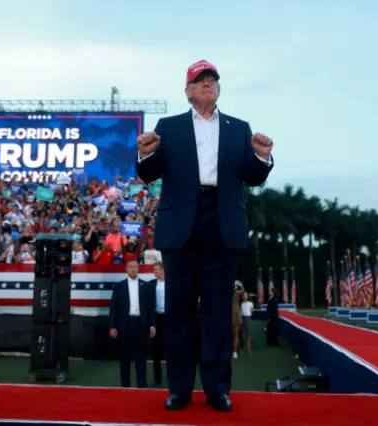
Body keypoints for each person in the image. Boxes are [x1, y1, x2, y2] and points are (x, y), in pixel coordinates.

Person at [135, 59, 274, 412]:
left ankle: (217, 390)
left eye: (212, 78)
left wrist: (262, 157)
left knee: (216, 312)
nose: (207, 83)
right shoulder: (169, 127)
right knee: (179, 311)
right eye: (200, 80)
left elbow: (253, 177)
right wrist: (145, 152)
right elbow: (148, 174)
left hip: (222, 222)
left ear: (218, 87)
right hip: (181, 223)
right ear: (188, 91)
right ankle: (179, 389)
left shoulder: (239, 129)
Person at [108, 259, 156, 388]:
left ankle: (142, 384)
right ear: (126, 269)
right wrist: (112, 326)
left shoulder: (146, 286)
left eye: (135, 267)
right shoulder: (119, 286)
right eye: (131, 267)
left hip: (141, 324)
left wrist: (152, 325)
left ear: (138, 269)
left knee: (140, 357)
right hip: (124, 325)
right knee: (124, 357)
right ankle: (125, 385)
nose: (133, 269)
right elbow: (113, 308)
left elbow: (151, 307)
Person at [150, 261, 166, 386]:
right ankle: (157, 378)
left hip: (170, 318)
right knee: (156, 350)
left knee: (173, 349)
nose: (154, 272)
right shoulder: (152, 285)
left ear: (162, 270)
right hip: (157, 318)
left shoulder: (172, 284)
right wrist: (152, 324)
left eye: (156, 269)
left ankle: (174, 377)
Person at [232, 281, 243, 359]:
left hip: (236, 312)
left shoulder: (236, 292)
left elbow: (241, 292)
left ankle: (235, 352)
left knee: (236, 333)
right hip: (229, 312)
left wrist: (241, 285)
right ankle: (232, 351)